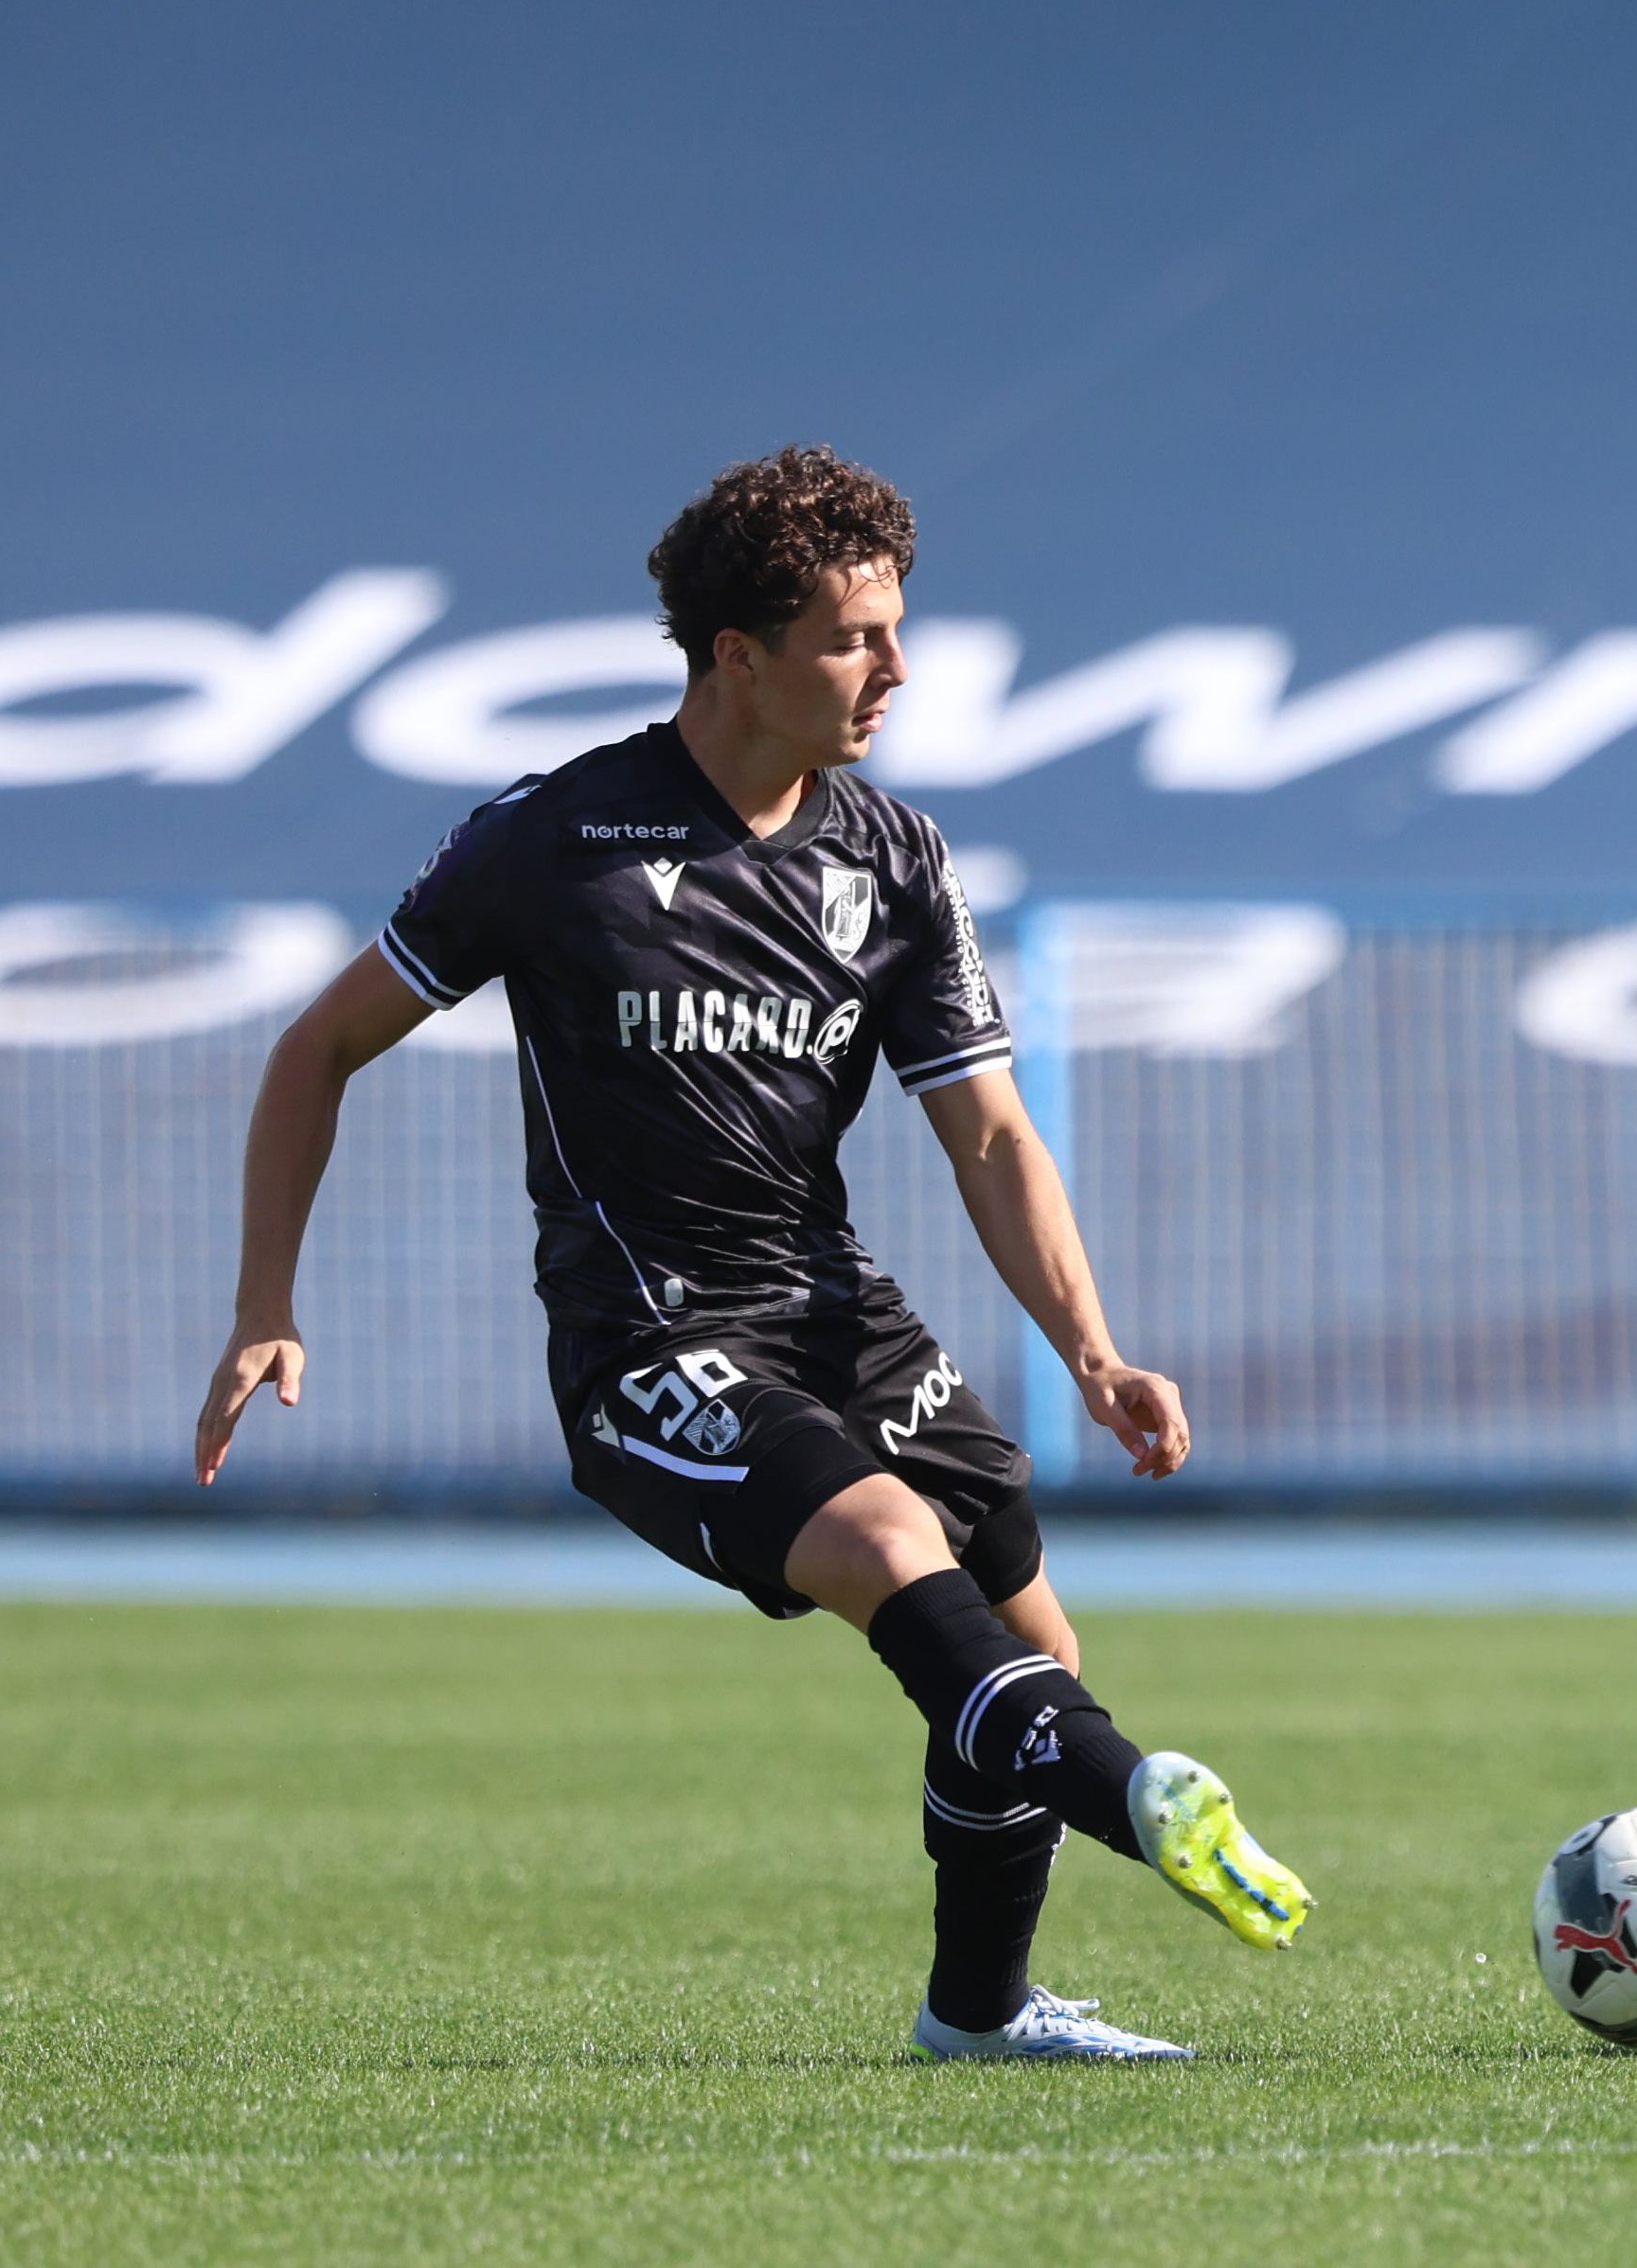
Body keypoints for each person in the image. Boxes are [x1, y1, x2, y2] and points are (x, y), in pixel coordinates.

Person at [195, 446, 1309, 2061]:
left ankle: (979, 2016)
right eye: (856, 636)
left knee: (1036, 1651)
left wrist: (1093, 1347)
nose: (899, 669)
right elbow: (315, 1049)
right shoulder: (556, 838)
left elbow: (990, 1134)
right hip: (647, 1340)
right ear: (739, 654)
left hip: (834, 1313)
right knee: (884, 1544)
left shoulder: (897, 859)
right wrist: (262, 1306)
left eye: (897, 630)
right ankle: (1146, 1795)